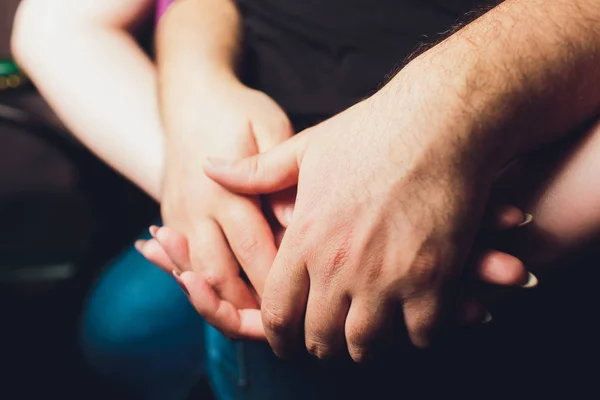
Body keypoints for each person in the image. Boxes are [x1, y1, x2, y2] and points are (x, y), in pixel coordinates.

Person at [11, 0, 600, 399]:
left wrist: (507, 219)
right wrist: (195, 102)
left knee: (289, 353)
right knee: (119, 334)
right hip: (247, 168)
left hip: (515, 190)